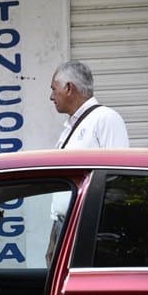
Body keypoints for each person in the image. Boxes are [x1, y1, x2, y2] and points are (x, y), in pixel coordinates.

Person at [46, 60, 130, 264]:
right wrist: (54, 235)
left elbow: (119, 178)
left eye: (53, 89)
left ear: (69, 88)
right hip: (65, 226)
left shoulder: (105, 119)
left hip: (87, 230)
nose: (51, 97)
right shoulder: (71, 126)